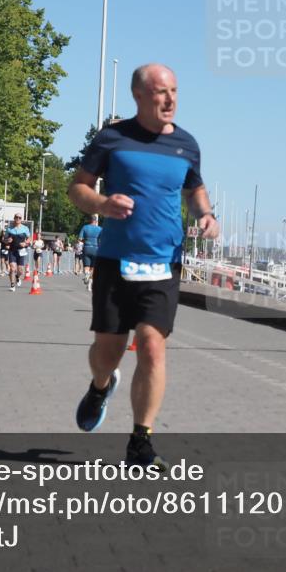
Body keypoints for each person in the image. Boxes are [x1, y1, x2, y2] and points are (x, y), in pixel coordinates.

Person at [68, 63, 218, 468]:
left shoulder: (186, 144)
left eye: (174, 91)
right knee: (109, 351)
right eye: (160, 92)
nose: (170, 99)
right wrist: (102, 204)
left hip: (164, 263)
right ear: (139, 96)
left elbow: (195, 188)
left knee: (152, 347)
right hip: (115, 261)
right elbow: (77, 187)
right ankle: (100, 386)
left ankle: (141, 443)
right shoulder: (112, 139)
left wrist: (206, 214)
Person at [5, 214, 31, 291]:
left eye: (19, 218)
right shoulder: (9, 229)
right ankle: (12, 285)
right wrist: (7, 240)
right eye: (16, 217)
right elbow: (4, 239)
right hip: (12, 250)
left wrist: (25, 243)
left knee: (21, 271)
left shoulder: (25, 228)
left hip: (21, 251)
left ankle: (17, 277)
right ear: (14, 218)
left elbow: (29, 238)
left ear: (21, 219)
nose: (18, 219)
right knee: (12, 268)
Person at [78, 216, 102, 291]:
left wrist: (85, 241)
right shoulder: (100, 229)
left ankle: (86, 274)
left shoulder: (85, 227)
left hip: (87, 248)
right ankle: (89, 286)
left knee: (86, 266)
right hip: (96, 249)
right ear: (96, 221)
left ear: (90, 220)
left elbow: (80, 239)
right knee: (93, 268)